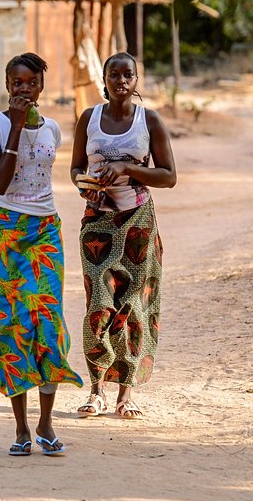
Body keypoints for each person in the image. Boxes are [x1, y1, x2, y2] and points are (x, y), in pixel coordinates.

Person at [0, 52, 83, 456]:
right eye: (17, 82)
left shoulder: (53, 128)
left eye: (31, 83)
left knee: (48, 320)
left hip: (45, 231)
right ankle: (20, 428)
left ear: (41, 87)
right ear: (7, 85)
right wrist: (16, 128)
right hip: (4, 232)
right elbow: (0, 183)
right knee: (11, 324)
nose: (24, 89)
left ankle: (47, 424)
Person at [70, 51, 176, 419]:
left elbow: (169, 176)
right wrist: (87, 187)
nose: (120, 81)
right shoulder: (89, 119)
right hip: (97, 222)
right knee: (98, 303)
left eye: (127, 75)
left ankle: (125, 396)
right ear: (104, 79)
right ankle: (96, 389)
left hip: (138, 224)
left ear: (136, 80)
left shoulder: (150, 121)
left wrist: (128, 168)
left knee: (133, 307)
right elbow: (75, 169)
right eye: (113, 74)